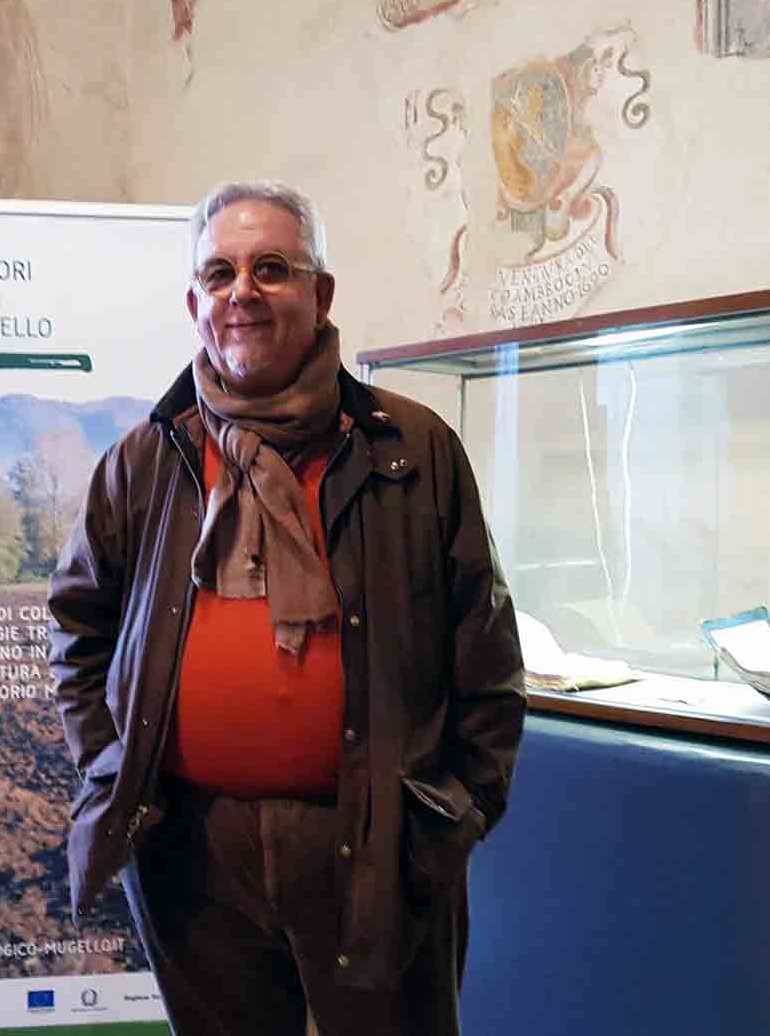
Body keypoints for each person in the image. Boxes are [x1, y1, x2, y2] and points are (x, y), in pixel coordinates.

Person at [48, 180, 526, 1035]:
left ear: (321, 293)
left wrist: (457, 813)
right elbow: (78, 626)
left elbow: (484, 646)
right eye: (220, 273)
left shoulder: (411, 450)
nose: (243, 292)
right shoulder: (145, 460)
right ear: (194, 304)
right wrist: (111, 765)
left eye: (271, 268)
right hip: (190, 850)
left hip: (380, 843)